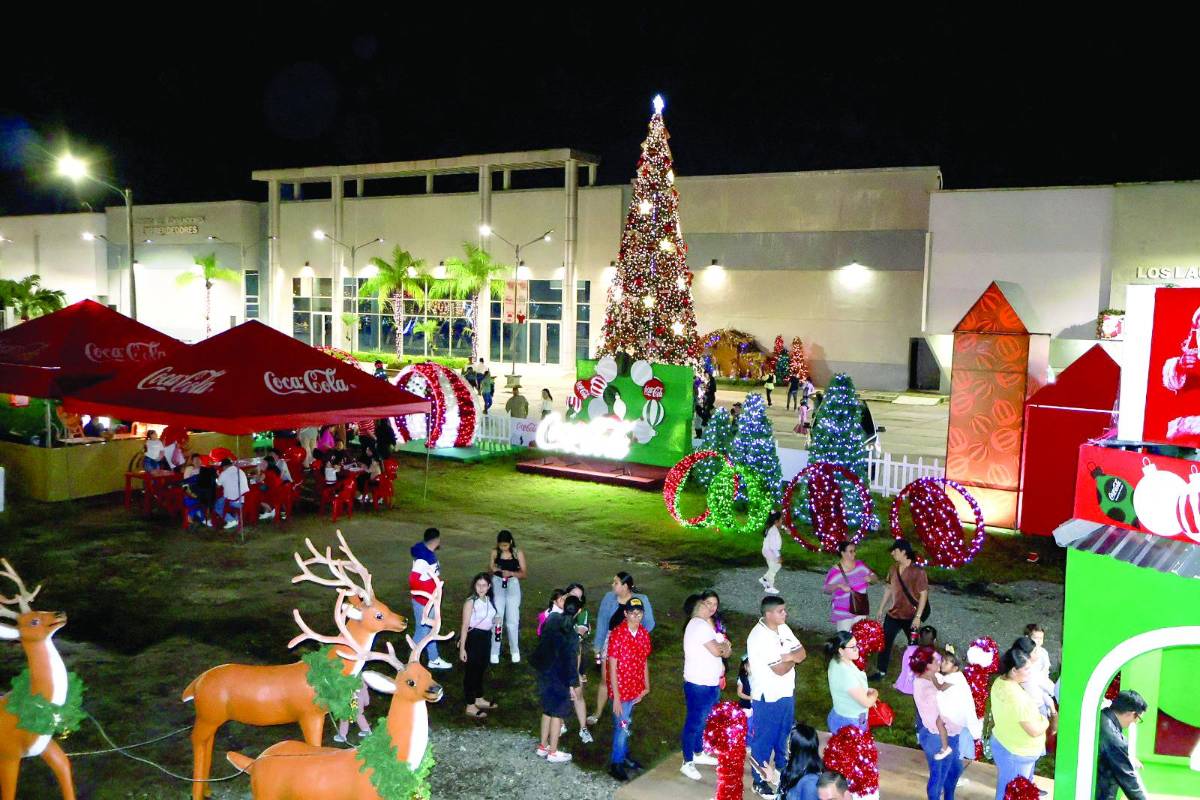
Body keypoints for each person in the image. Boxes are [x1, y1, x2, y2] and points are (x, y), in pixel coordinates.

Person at [746, 595, 807, 799]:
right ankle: (759, 780)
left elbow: (802, 653)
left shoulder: (783, 628)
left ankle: (782, 771)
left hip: (785, 693)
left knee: (783, 736)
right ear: (768, 613)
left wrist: (789, 657)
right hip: (767, 696)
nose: (785, 613)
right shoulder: (759, 637)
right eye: (781, 611)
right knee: (763, 739)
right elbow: (780, 670)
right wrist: (791, 659)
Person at [989, 646, 1055, 798]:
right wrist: (1045, 721)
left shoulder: (999, 682)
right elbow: (1033, 730)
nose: (1029, 672)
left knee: (1005, 786)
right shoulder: (1017, 698)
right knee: (1013, 793)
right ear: (1014, 670)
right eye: (1026, 669)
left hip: (1002, 742)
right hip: (1017, 752)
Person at [590, 573, 656, 725]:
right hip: (611, 639)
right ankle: (598, 711)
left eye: (616, 583)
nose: (612, 585)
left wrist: (636, 636)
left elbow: (650, 623)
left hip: (632, 643)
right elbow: (602, 621)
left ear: (626, 586)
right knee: (605, 677)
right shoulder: (608, 598)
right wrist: (598, 646)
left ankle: (625, 707)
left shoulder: (642, 600)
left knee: (630, 675)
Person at [679, 590, 731, 781]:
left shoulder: (705, 626)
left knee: (702, 721)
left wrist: (724, 648)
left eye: (712, 604)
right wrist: (724, 647)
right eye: (705, 604)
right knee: (694, 722)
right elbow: (720, 650)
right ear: (696, 606)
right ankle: (687, 761)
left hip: (710, 682)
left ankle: (698, 752)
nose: (709, 607)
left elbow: (726, 650)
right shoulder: (699, 625)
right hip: (699, 684)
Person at [606, 597, 653, 782]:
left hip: (634, 687)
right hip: (620, 689)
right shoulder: (618, 635)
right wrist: (616, 697)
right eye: (632, 613)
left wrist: (646, 686)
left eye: (639, 613)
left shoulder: (643, 634)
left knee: (626, 722)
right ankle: (615, 763)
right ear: (625, 614)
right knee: (622, 725)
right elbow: (612, 667)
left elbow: (644, 661)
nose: (636, 617)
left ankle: (623, 755)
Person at [533, 594, 583, 764]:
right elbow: (570, 663)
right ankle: (553, 751)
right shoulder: (572, 636)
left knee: (547, 709)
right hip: (560, 677)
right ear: (579, 611)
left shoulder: (552, 618)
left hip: (545, 672)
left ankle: (542, 746)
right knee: (557, 712)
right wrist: (572, 685)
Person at [870, 538, 929, 681]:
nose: (892, 554)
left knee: (914, 646)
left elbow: (923, 595)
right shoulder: (893, 568)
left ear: (903, 551)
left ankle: (918, 674)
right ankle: (881, 671)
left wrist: (918, 617)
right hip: (894, 615)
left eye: (894, 551)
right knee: (884, 643)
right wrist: (881, 608)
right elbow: (889, 588)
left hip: (911, 617)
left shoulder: (918, 572)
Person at [911, 646, 963, 799]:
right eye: (936, 660)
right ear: (927, 666)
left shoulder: (936, 677)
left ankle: (949, 797)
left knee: (955, 769)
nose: (941, 661)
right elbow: (943, 711)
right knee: (939, 775)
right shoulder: (924, 688)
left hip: (950, 734)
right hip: (937, 738)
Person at [410, 528, 452, 670]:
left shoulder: (423, 551)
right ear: (436, 540)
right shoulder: (423, 559)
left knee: (430, 629)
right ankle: (412, 660)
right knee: (423, 631)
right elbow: (413, 580)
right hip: (424, 602)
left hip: (427, 600)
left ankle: (433, 658)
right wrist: (427, 592)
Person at [458, 572, 499, 719]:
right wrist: (462, 647)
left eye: (484, 585)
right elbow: (464, 626)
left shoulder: (489, 600)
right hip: (473, 637)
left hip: (486, 637)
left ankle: (479, 698)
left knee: (481, 667)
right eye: (478, 585)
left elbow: (490, 618)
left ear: (489, 586)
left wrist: (496, 621)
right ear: (474, 586)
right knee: (471, 671)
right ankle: (470, 704)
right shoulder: (470, 602)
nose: (481, 588)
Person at [1097, 690, 1149, 800]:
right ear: (1130, 713)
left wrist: (1127, 757)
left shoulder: (1102, 717)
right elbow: (1129, 781)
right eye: (1138, 718)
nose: (1135, 723)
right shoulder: (1113, 739)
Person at [825, 631, 876, 734]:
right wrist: (874, 693)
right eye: (852, 647)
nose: (857, 649)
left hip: (839, 714)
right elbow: (867, 702)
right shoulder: (846, 674)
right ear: (841, 650)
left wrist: (865, 690)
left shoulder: (836, 661)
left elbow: (848, 688)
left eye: (856, 645)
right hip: (851, 723)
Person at [822, 541, 877, 632]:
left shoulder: (860, 565)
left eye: (854, 551)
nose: (854, 553)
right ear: (842, 553)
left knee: (859, 639)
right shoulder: (835, 571)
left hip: (860, 610)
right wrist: (839, 585)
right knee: (844, 641)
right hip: (844, 613)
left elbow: (875, 578)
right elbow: (826, 590)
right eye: (851, 551)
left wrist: (871, 578)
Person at [489, 530, 526, 664]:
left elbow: (523, 573)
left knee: (513, 619)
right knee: (497, 617)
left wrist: (510, 573)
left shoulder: (517, 553)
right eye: (501, 545)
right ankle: (494, 652)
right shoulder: (495, 552)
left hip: (512, 583)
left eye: (505, 545)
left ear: (510, 542)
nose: (503, 548)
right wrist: (496, 570)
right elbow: (490, 568)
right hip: (498, 583)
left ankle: (514, 650)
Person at [777, 724, 823, 800]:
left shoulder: (811, 783)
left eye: (789, 740)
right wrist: (773, 778)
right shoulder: (798, 765)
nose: (786, 742)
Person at [895, 625, 941, 695]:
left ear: (919, 637)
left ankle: (899, 685)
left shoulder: (910, 650)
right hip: (920, 689)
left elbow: (904, 669)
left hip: (904, 685)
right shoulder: (937, 657)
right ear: (934, 640)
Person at [1022, 624, 1057, 715]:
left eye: (1041, 638)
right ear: (1027, 638)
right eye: (1035, 638)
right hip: (1030, 690)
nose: (1038, 641)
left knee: (1048, 703)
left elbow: (1046, 670)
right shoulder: (1023, 654)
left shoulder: (1043, 652)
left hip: (1043, 687)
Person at [212, 458, 248, 530]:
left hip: (235, 501)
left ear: (224, 466)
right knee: (226, 499)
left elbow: (218, 486)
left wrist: (218, 477)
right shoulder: (240, 470)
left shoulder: (224, 473)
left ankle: (231, 520)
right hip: (246, 498)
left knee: (217, 505)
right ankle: (236, 518)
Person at [759, 511, 784, 594]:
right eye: (781, 520)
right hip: (770, 552)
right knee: (773, 568)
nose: (782, 521)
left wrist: (784, 529)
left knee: (777, 566)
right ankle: (769, 586)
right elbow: (774, 547)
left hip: (767, 550)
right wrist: (778, 556)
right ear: (776, 521)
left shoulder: (772, 527)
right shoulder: (773, 531)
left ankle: (765, 579)